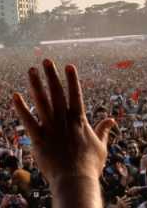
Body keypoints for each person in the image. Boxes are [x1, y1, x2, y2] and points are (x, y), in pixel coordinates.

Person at [13, 59, 116, 208]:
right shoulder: (33, 177)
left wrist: (71, 178)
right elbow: (33, 194)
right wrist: (82, 176)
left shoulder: (41, 173)